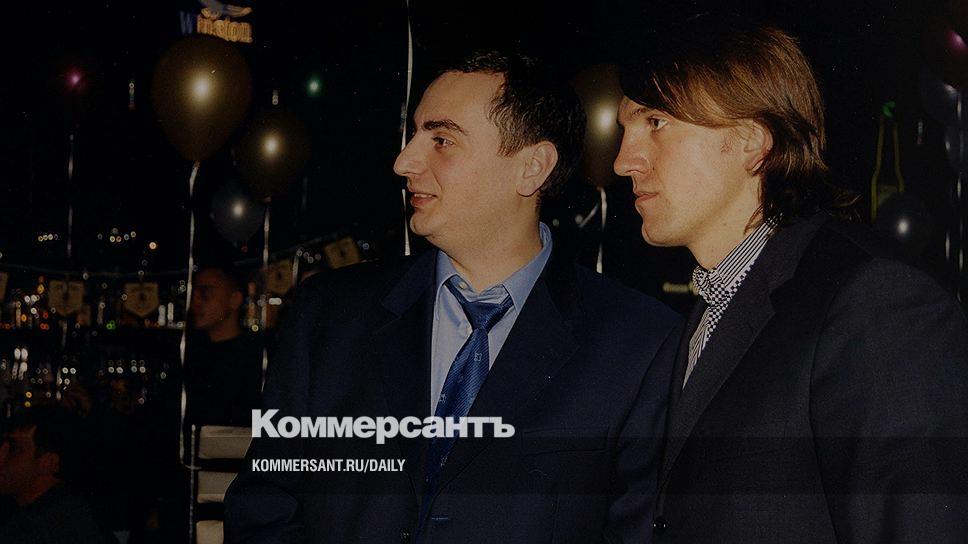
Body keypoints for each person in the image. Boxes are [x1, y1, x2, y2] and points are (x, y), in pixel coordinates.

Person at [225, 51, 680, 543]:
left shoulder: (637, 344)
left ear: (532, 168)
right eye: (414, 135)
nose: (404, 162)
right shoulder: (329, 317)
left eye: (441, 140)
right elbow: (264, 510)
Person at [613, 14, 968, 543]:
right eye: (625, 131)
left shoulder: (873, 302)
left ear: (751, 140)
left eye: (655, 122)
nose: (624, 162)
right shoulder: (712, 307)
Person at [0, 405, 112, 543]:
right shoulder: (69, 512)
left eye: (14, 449)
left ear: (49, 462)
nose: (1, 456)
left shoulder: (45, 528)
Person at [185, 264, 264, 428]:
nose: (195, 302)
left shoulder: (255, 360)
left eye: (206, 293)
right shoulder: (189, 355)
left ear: (234, 299)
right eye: (193, 293)